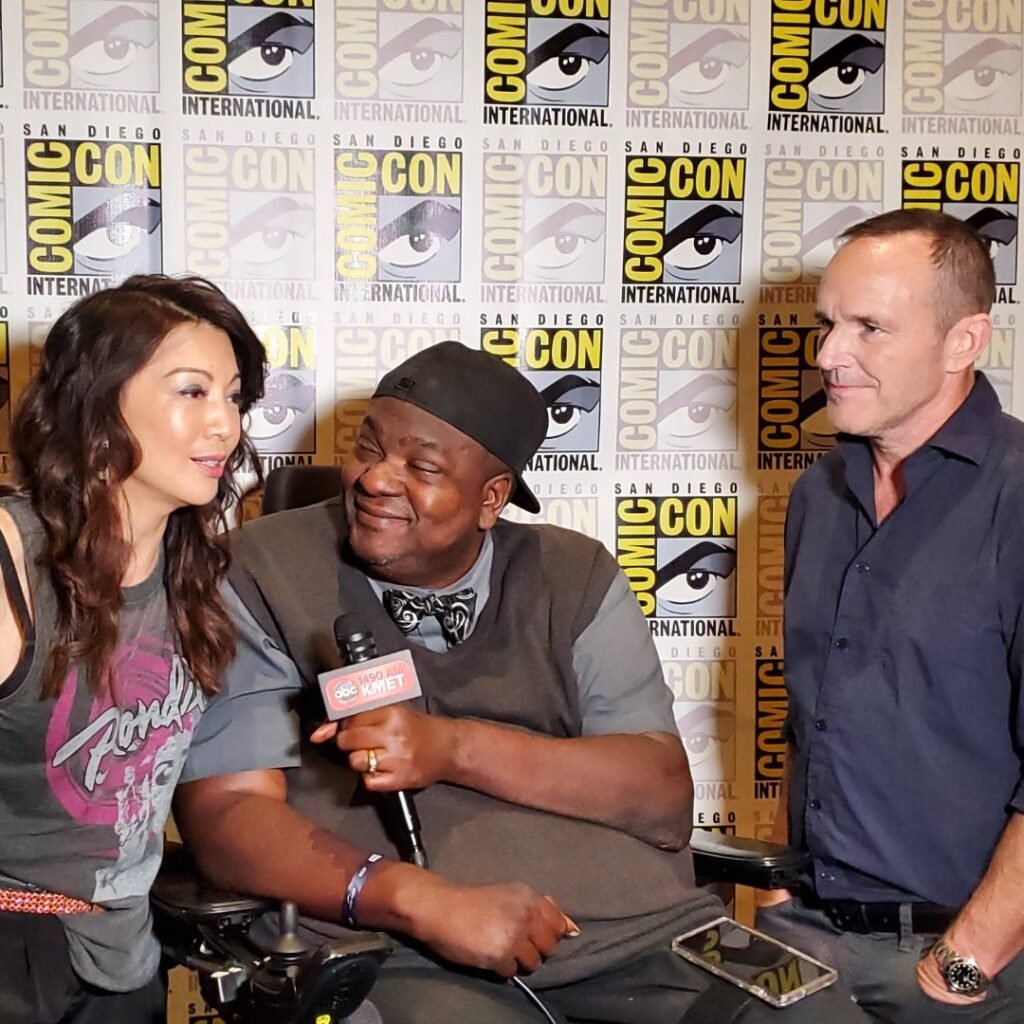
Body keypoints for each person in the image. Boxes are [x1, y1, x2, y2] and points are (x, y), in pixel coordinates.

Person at [174, 341, 870, 1023]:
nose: (376, 478)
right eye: (368, 446)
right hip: (406, 947)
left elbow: (659, 795)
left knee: (821, 1014)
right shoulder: (261, 570)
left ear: (491, 498)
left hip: (647, 931)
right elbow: (228, 816)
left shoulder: (576, 574)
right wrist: (418, 899)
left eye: (421, 466)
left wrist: (448, 747)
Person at [755, 208, 1024, 1023]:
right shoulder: (816, 496)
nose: (829, 355)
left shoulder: (1017, 497)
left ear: (962, 342)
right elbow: (814, 722)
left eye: (870, 328)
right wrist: (774, 900)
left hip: (968, 968)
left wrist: (966, 963)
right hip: (806, 942)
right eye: (828, 324)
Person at [0, 276, 267, 1024]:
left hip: (126, 960)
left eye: (235, 396)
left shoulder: (202, 576)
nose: (224, 425)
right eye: (192, 392)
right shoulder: (12, 565)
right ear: (97, 401)